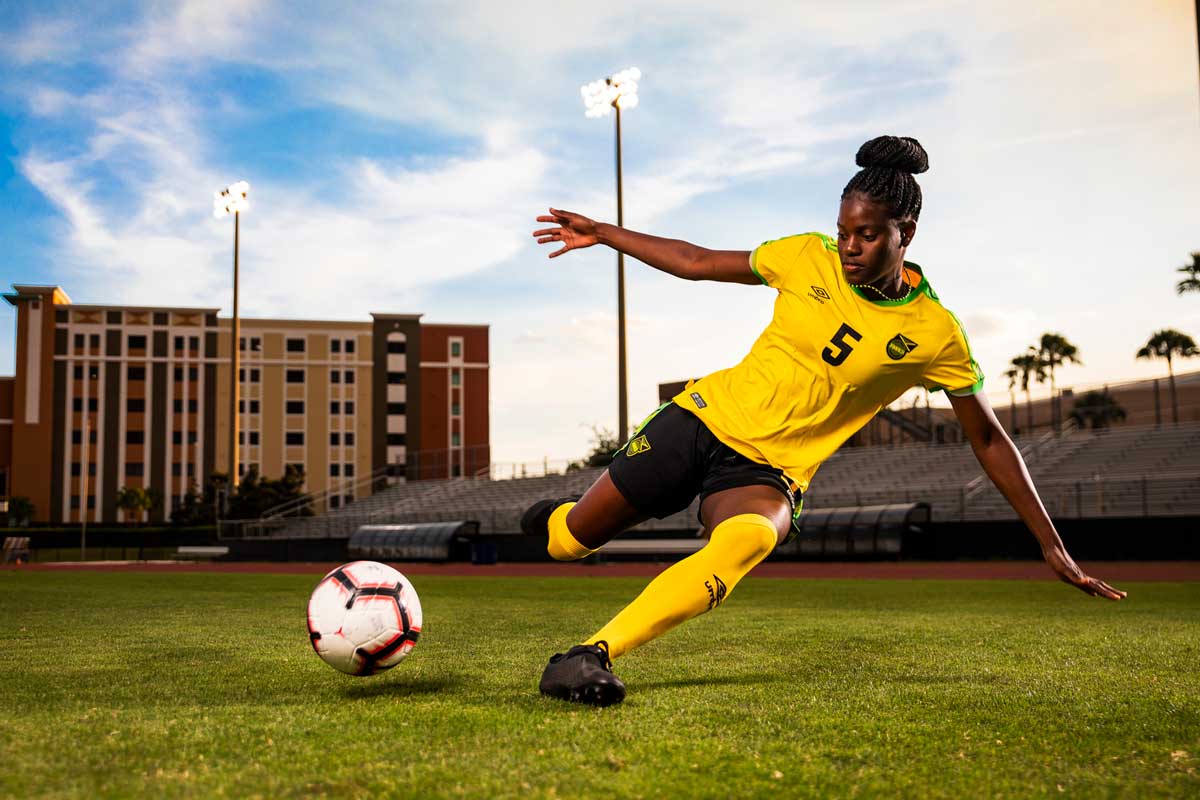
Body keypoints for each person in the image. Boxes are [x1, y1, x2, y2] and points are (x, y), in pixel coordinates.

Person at [524, 135, 1125, 707]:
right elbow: (697, 261)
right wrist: (602, 232)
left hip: (768, 471)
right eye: (844, 232)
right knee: (568, 542)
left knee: (751, 538)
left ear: (905, 232)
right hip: (700, 420)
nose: (850, 247)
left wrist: (1051, 544)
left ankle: (590, 656)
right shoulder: (807, 255)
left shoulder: (935, 334)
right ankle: (552, 519)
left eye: (866, 235)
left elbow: (989, 439)